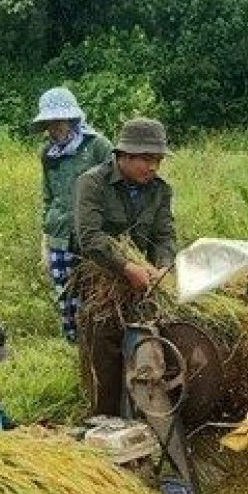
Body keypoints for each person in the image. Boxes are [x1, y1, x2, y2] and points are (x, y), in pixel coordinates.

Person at [73, 117, 176, 417]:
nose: (153, 167)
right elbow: (90, 238)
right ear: (124, 156)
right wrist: (126, 267)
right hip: (100, 283)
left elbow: (164, 235)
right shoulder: (91, 183)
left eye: (157, 160)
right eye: (146, 159)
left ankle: (146, 418)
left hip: (144, 284)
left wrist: (163, 266)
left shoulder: (160, 190)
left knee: (147, 350)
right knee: (103, 354)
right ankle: (104, 422)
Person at [32, 87, 113, 343]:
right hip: (59, 236)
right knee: (67, 300)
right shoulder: (48, 154)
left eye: (58, 120)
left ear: (72, 119)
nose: (54, 127)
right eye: (49, 122)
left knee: (97, 298)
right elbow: (49, 196)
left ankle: (99, 350)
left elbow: (114, 189)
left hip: (92, 235)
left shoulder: (97, 146)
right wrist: (45, 240)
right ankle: (79, 353)